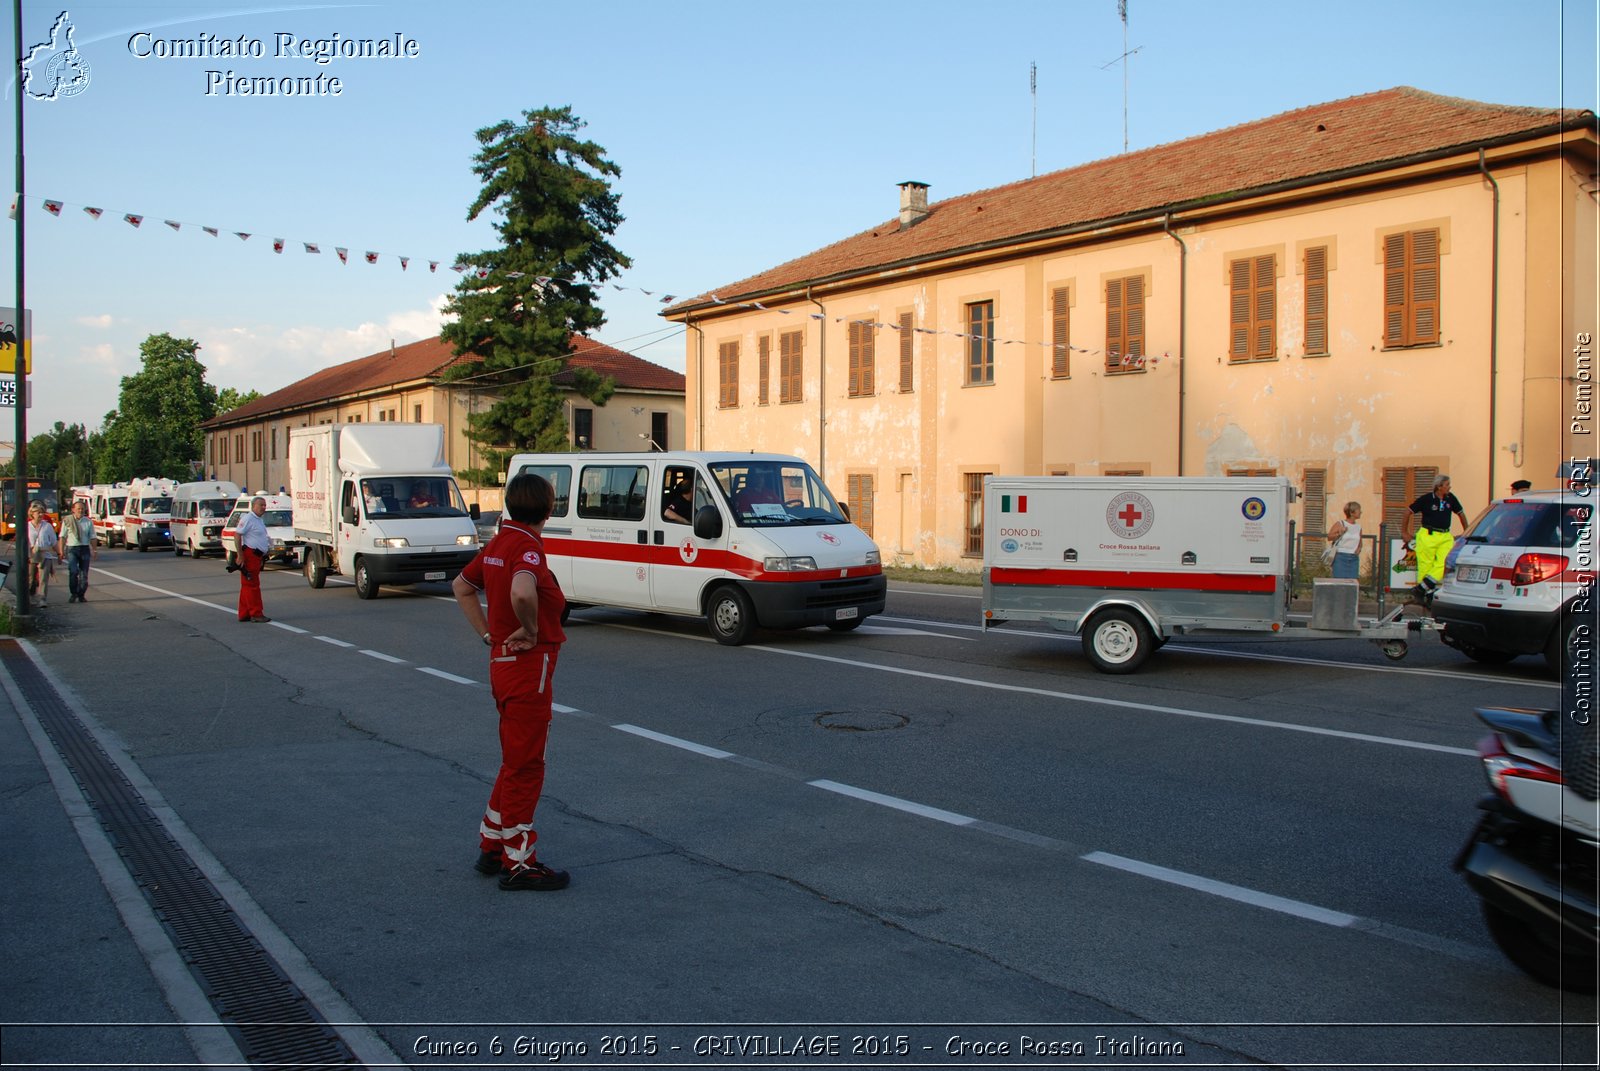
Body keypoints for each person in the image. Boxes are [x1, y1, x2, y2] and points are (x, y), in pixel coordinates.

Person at [452, 473, 570, 892]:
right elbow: (523, 591)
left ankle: (492, 842)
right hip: (527, 666)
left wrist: (488, 633)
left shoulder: (499, 543)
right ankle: (519, 860)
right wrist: (532, 629)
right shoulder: (527, 548)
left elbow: (462, 587)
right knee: (527, 764)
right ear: (547, 508)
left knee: (512, 757)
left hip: (501, 661)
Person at [1402, 474, 1468, 603]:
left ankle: (1420, 589)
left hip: (1445, 535)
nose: (1450, 487)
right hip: (1428, 535)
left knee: (1446, 562)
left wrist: (1466, 532)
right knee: (1425, 566)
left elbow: (1461, 513)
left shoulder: (1451, 498)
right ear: (1439, 487)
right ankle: (1425, 596)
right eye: (1447, 484)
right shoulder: (1426, 499)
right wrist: (1405, 532)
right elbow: (1407, 512)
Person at [234, 496, 272, 623]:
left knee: (247, 585)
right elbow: (237, 535)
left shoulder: (258, 520)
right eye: (261, 505)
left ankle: (244, 613)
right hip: (250, 555)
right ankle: (256, 613)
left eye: (265, 505)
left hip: (256, 556)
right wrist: (240, 555)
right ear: (253, 506)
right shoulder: (248, 519)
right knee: (252, 585)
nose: (263, 507)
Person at [62, 499, 97, 602]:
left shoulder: (88, 521)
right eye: (78, 509)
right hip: (72, 548)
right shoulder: (67, 520)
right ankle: (73, 593)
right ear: (73, 509)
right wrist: (61, 551)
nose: (80, 510)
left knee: (84, 573)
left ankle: (81, 594)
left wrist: (94, 550)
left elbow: (93, 537)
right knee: (73, 571)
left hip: (84, 548)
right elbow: (62, 537)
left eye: (82, 509)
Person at [26, 502, 58, 607]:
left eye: (42, 513)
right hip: (32, 554)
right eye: (38, 512)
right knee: (31, 578)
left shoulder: (47, 526)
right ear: (32, 513)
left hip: (45, 554)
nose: (40, 515)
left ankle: (42, 599)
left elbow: (54, 541)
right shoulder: (27, 526)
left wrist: (59, 553)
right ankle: (30, 597)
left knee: (43, 578)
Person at [1325, 501, 1363, 580]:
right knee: (1339, 582)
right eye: (1359, 510)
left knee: (1352, 583)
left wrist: (1359, 549)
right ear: (1352, 512)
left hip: (1354, 558)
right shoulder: (1340, 523)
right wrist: (1339, 533)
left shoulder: (1358, 527)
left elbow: (1360, 542)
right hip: (1340, 556)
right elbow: (1329, 537)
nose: (1361, 512)